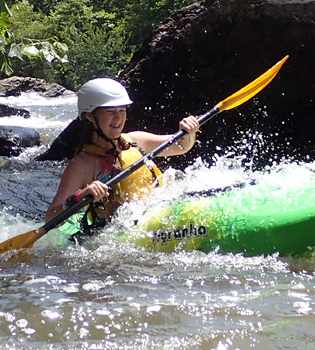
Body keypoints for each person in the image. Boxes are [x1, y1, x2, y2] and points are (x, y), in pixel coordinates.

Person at [45, 78, 200, 239]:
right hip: (126, 234)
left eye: (122, 111)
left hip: (161, 213)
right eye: (110, 111)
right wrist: (80, 196)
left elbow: (182, 147)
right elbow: (50, 218)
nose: (118, 119)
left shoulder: (136, 141)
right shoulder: (82, 164)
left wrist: (189, 132)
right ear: (90, 116)